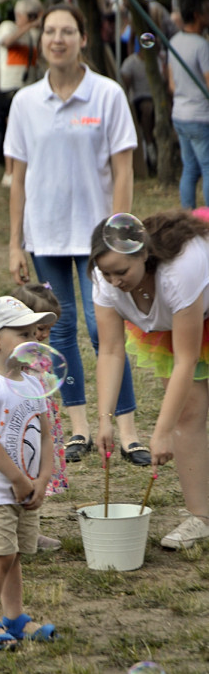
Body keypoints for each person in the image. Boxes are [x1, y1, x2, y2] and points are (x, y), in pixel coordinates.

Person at [5, 3, 150, 467]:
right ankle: (80, 428)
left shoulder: (107, 95)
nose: (58, 39)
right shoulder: (25, 101)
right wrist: (14, 241)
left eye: (68, 31)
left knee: (102, 328)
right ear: (41, 38)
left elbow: (123, 168)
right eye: (50, 31)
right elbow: (19, 177)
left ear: (83, 38)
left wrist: (119, 234)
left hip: (98, 242)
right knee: (59, 330)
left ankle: (126, 428)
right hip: (44, 234)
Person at [88, 209, 209, 550]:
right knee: (189, 410)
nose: (114, 281)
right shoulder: (105, 280)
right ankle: (201, 517)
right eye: (106, 273)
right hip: (184, 319)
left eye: (121, 272)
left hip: (199, 303)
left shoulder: (179, 271)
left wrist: (161, 432)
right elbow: (111, 351)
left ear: (144, 254)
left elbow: (187, 359)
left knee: (177, 417)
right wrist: (105, 420)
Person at [0, 296, 58, 650]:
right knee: (1, 556)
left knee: (16, 553)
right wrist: (20, 479)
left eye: (34, 332)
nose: (33, 339)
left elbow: (47, 434)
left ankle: (15, 617)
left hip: (27, 489)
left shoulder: (34, 383)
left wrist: (43, 480)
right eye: (23, 333)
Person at [11, 282, 68, 502]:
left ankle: (32, 530)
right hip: (22, 419)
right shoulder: (14, 355)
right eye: (41, 328)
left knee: (38, 468)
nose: (45, 335)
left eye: (49, 329)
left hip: (41, 418)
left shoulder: (39, 353)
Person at [0, 0, 43, 187]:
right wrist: (29, 26)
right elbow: (6, 42)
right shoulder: (8, 26)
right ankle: (9, 171)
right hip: (10, 85)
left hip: (28, 86)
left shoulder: (34, 35)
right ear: (20, 14)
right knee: (10, 129)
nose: (33, 19)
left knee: (26, 131)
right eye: (29, 15)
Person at [168, 0, 209, 209]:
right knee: (208, 167)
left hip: (180, 115)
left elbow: (171, 84)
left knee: (190, 169)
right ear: (197, 14)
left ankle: (187, 215)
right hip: (200, 117)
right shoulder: (202, 46)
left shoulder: (173, 41)